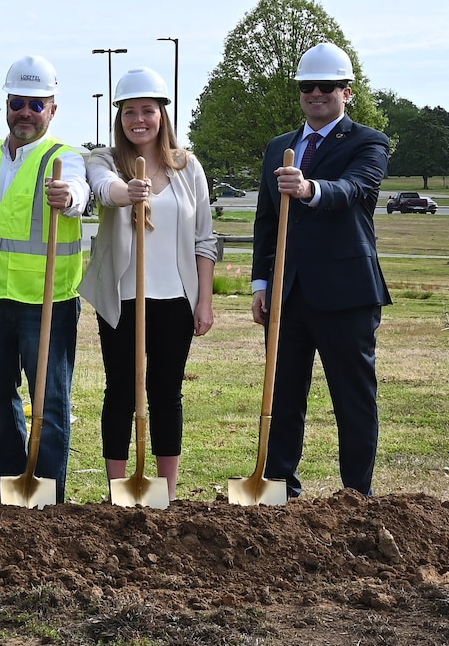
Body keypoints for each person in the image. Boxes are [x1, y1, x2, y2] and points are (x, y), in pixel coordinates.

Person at [251, 41, 392, 496]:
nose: (316, 94)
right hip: (288, 296)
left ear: (346, 91)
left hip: (347, 294)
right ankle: (278, 487)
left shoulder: (367, 141)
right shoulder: (278, 148)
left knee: (352, 400)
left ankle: (356, 495)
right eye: (307, 87)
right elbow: (267, 221)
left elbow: (354, 189)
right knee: (283, 396)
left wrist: (310, 188)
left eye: (326, 86)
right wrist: (261, 283)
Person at [83, 67, 220, 496]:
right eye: (128, 112)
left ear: (162, 114)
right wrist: (129, 192)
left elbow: (204, 237)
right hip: (123, 298)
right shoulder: (104, 160)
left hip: (175, 300)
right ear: (119, 118)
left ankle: (166, 489)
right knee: (121, 391)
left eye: (147, 110)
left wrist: (205, 301)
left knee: (166, 393)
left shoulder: (188, 166)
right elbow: (103, 190)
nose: (138, 119)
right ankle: (118, 489)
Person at [0, 55, 88, 491]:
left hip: (49, 304)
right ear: (6, 104)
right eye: (18, 102)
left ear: (52, 109)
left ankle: (47, 494)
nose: (25, 111)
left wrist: (70, 197)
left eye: (36, 104)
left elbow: (79, 192)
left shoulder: (64, 158)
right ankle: (11, 482)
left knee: (50, 403)